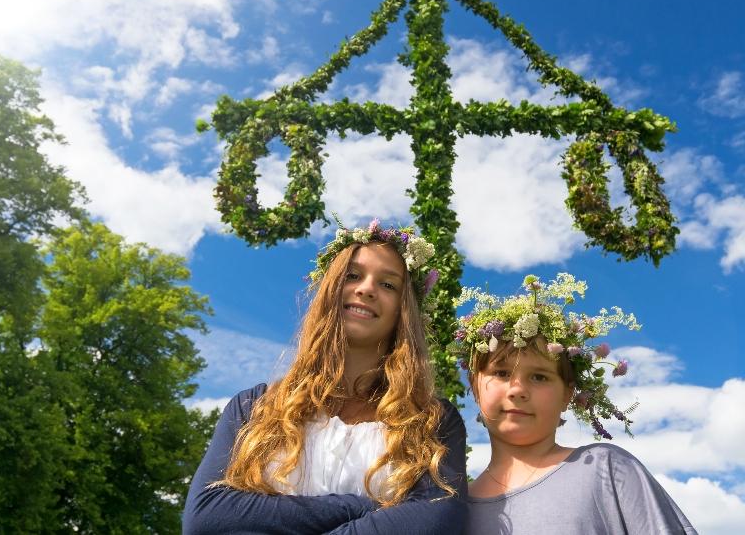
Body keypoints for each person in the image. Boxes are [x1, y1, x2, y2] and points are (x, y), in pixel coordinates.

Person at [183, 219, 467, 535]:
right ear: (330, 289)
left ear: (404, 309)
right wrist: (357, 508)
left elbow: (436, 521)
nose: (367, 289)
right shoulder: (253, 406)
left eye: (388, 284)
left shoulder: (431, 421)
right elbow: (206, 516)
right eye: (353, 275)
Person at [450, 274, 697, 535]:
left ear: (568, 394)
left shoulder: (607, 471)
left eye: (539, 376)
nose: (518, 389)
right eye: (501, 373)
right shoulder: (452, 512)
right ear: (475, 384)